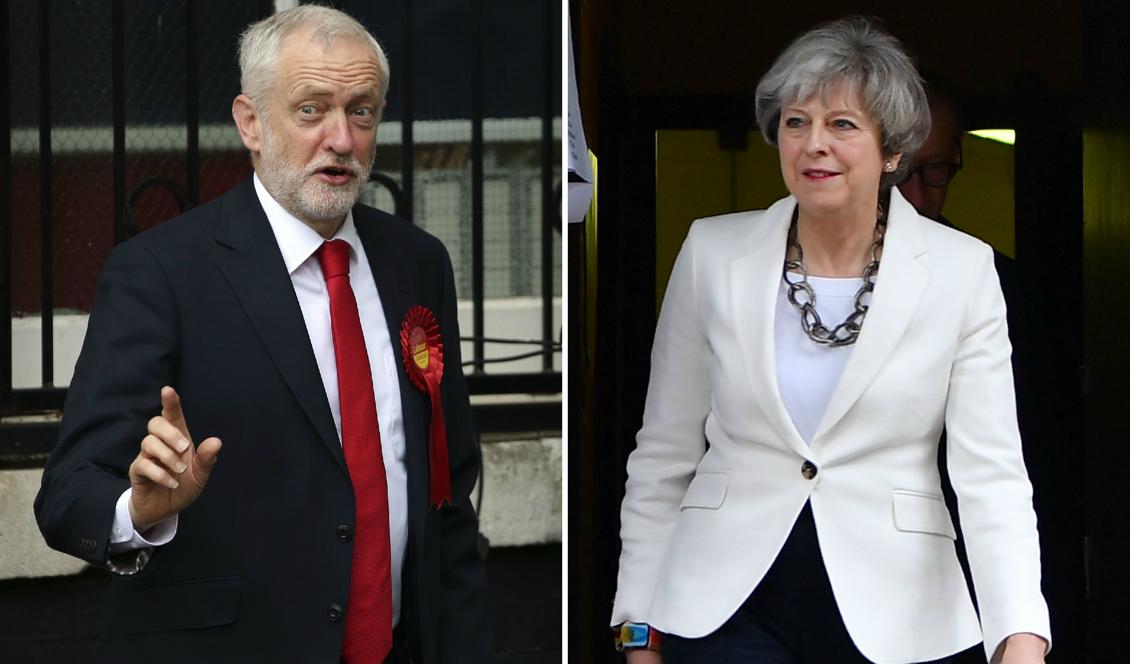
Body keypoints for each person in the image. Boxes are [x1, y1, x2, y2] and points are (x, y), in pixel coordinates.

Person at [34, 6, 490, 663]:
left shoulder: (417, 263)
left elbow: (448, 497)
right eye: (312, 110)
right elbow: (68, 491)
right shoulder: (160, 272)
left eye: (361, 111)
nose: (341, 138)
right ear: (251, 123)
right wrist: (140, 510)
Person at [610, 17, 1049, 664]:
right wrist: (636, 630)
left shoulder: (963, 270)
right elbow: (662, 458)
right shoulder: (711, 251)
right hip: (725, 609)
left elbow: (992, 474)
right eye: (796, 122)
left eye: (842, 124)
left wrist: (1020, 634)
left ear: (893, 150)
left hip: (903, 614)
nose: (814, 143)